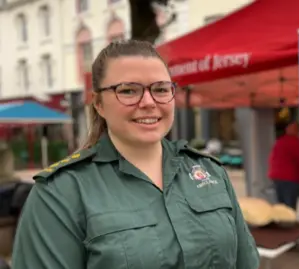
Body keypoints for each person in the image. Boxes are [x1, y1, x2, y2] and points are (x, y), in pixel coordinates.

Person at [11, 40, 259, 269]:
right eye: (128, 91)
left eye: (161, 89)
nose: (149, 102)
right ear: (99, 104)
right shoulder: (60, 193)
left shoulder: (211, 172)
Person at [268, 121, 299, 210]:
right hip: (290, 178)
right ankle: (289, 222)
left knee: (281, 204)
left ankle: (282, 221)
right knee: (289, 205)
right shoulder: (296, 143)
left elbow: (272, 158)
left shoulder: (279, 141)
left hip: (277, 177)